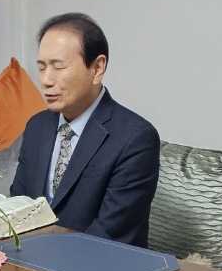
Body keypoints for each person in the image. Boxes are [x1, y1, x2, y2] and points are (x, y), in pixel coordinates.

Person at [9, 13, 160, 246]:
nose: (46, 80)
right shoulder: (37, 126)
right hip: (29, 258)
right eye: (42, 67)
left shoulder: (136, 138)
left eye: (59, 66)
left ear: (97, 68)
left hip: (99, 263)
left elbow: (109, 235)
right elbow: (18, 208)